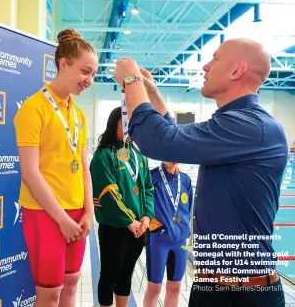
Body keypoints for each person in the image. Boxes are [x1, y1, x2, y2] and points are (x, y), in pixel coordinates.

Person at [113, 38, 287, 307]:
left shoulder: (251, 126)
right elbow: (174, 145)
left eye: (215, 59)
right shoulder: (236, 123)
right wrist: (152, 92)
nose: (205, 66)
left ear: (236, 71)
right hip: (216, 287)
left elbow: (156, 141)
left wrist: (132, 81)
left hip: (244, 295)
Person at [13, 29, 98, 307]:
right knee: (50, 295)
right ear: (63, 64)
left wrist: (89, 211)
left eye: (94, 74)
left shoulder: (79, 114)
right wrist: (62, 219)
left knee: (72, 284)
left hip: (77, 213)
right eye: (85, 71)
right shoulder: (33, 108)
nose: (89, 80)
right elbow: (30, 172)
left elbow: (84, 168)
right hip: (45, 213)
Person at [90, 107, 154, 307]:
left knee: (126, 275)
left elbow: (148, 188)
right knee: (109, 276)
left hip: (138, 227)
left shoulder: (138, 155)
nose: (130, 127)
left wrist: (146, 217)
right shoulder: (103, 156)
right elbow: (108, 194)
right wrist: (129, 220)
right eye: (125, 122)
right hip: (115, 227)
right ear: (114, 124)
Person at [144, 161, 193, 307]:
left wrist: (182, 229)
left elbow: (188, 209)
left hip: (179, 242)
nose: (172, 157)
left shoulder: (185, 180)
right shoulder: (152, 177)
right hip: (158, 241)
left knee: (175, 287)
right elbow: (144, 205)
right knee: (154, 288)